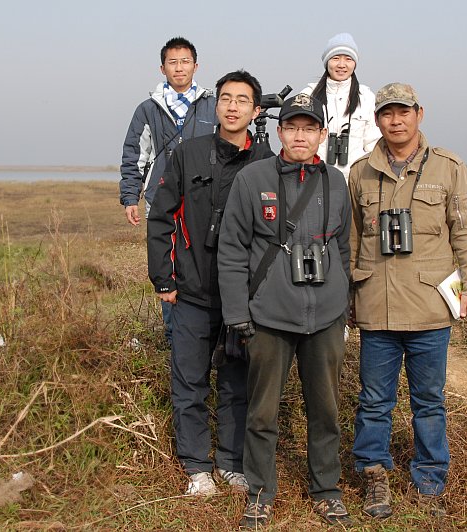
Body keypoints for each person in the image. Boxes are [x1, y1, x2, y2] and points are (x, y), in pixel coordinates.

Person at [347, 83, 467, 519]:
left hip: (430, 305)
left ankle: (430, 477)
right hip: (377, 305)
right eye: (387, 113)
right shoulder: (360, 172)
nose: (396, 120)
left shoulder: (447, 167)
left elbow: (466, 229)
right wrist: (349, 295)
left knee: (429, 398)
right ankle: (374, 473)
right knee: (374, 399)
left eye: (403, 112)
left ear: (419, 114)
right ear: (377, 119)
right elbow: (351, 239)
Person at [218, 94, 353, 528]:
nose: (300, 135)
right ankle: (259, 494)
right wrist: (239, 312)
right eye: (292, 127)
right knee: (262, 413)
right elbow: (233, 250)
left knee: (326, 410)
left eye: (309, 128)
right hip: (269, 317)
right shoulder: (253, 177)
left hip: (326, 318)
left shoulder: (336, 182)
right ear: (279, 132)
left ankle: (327, 490)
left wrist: (343, 300)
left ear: (322, 134)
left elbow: (345, 247)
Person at [147, 70, 273, 496]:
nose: (232, 106)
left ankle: (232, 463)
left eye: (242, 100)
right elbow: (161, 217)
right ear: (216, 105)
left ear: (257, 111)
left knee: (239, 381)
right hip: (193, 291)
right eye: (225, 98)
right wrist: (164, 278)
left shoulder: (265, 163)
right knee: (190, 380)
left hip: (244, 298)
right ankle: (197, 467)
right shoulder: (188, 154)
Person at [120, 36, 216, 348]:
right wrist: (130, 196)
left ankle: (209, 337)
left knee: (206, 261)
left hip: (206, 200)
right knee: (167, 263)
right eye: (172, 62)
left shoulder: (212, 105)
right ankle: (175, 338)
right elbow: (133, 154)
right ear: (162, 68)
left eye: (185, 61)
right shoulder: (147, 109)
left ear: (196, 66)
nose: (179, 68)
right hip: (162, 199)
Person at [300, 32, 380, 181]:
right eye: (335, 58)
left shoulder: (366, 96)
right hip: (315, 177)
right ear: (326, 62)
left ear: (355, 63)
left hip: (356, 179)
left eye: (348, 59)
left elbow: (373, 143)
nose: (341, 65)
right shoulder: (308, 95)